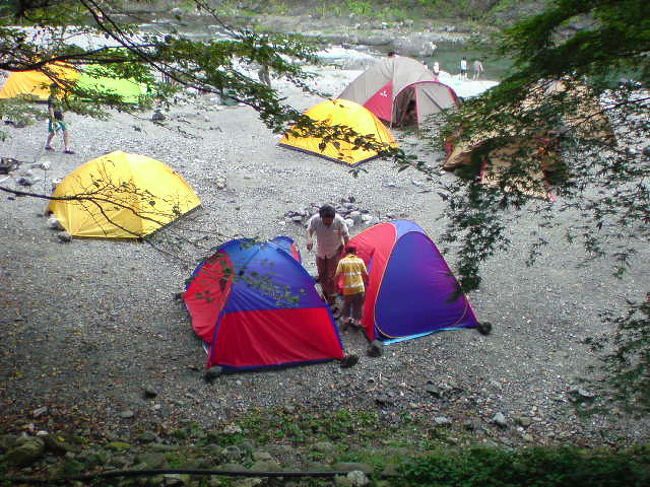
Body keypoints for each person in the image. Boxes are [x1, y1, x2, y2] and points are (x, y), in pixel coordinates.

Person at [306, 204, 349, 307]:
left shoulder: (339, 221)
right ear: (321, 217)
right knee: (322, 273)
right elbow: (309, 230)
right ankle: (324, 294)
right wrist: (309, 239)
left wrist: (346, 250)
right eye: (326, 221)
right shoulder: (315, 220)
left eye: (330, 221)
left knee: (332, 276)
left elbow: (346, 236)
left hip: (334, 252)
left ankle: (332, 298)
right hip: (321, 251)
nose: (328, 223)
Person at [334, 245, 368, 331]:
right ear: (355, 252)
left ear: (346, 253)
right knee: (358, 305)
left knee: (347, 305)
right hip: (360, 288)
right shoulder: (360, 261)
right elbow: (365, 274)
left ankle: (346, 320)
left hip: (348, 289)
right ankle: (356, 323)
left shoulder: (342, 262)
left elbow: (337, 275)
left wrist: (336, 285)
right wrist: (367, 282)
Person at [45, 84, 74, 154]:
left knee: (65, 131)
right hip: (55, 118)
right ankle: (48, 145)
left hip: (60, 117)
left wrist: (62, 112)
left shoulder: (56, 97)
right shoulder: (51, 99)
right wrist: (53, 120)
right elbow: (51, 109)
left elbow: (58, 106)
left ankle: (67, 148)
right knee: (52, 133)